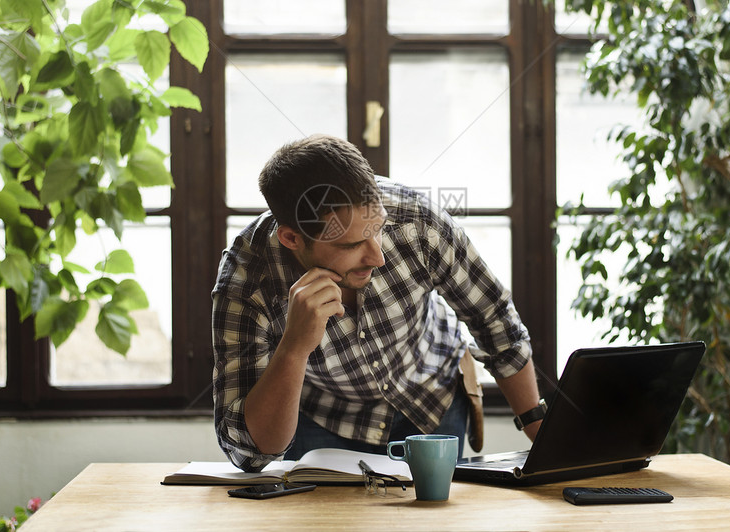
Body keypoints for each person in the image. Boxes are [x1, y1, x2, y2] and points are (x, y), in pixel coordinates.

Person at [212, 135, 543, 471]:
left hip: (431, 400)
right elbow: (249, 453)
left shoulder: (417, 220)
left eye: (379, 229)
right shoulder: (248, 279)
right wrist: (293, 348)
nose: (378, 257)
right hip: (323, 419)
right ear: (292, 238)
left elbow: (494, 320)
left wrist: (540, 433)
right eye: (352, 245)